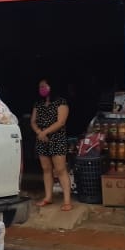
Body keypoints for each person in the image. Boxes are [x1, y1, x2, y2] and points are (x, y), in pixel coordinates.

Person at [31, 77, 71, 211]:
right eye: (40, 87)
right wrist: (39, 132)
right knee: (46, 169)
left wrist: (45, 132)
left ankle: (67, 201)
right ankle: (48, 197)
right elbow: (33, 121)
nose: (41, 89)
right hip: (42, 140)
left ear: (51, 87)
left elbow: (61, 122)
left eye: (44, 86)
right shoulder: (38, 103)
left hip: (57, 139)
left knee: (60, 169)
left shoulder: (61, 102)